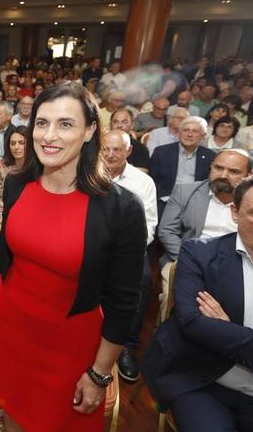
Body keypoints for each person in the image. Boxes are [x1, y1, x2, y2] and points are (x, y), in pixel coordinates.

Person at [0, 82, 147, 432]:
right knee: (8, 413)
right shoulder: (20, 183)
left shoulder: (121, 209)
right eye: (42, 122)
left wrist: (99, 374)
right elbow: (4, 253)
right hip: (7, 325)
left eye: (65, 124)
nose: (49, 135)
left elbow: (124, 302)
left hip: (64, 345)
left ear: (90, 131)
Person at [142, 174, 253, 432]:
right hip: (204, 381)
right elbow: (193, 324)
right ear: (235, 212)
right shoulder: (200, 253)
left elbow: (211, 331)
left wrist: (227, 329)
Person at [157, 149, 253, 318]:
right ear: (210, 168)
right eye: (218, 168)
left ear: (250, 175)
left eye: (234, 171)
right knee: (171, 299)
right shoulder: (185, 191)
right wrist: (187, 258)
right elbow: (167, 230)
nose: (223, 175)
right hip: (185, 258)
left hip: (240, 262)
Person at [101, 130, 158, 382]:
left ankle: (126, 344)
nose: (111, 155)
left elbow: (150, 226)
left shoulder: (142, 182)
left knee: (142, 280)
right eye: (106, 149)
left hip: (128, 251)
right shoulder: (88, 174)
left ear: (129, 151)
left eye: (117, 150)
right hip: (93, 246)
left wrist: (120, 253)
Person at [150, 116, 216, 214]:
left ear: (203, 136)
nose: (189, 134)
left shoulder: (210, 156)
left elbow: (210, 183)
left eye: (195, 131)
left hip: (196, 204)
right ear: (179, 133)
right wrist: (164, 197)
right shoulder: (161, 152)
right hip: (166, 201)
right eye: (186, 130)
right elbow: (151, 179)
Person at [0, 126, 28, 217]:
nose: (16, 147)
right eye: (13, 143)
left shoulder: (36, 169)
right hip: (4, 216)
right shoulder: (2, 167)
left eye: (21, 143)